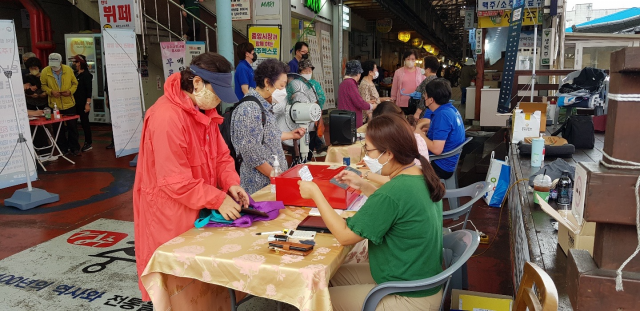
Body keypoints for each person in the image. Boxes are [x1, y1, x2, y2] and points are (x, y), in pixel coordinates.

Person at [133, 52, 250, 302]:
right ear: (197, 83)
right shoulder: (166, 117)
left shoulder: (204, 112)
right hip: (170, 215)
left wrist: (231, 183)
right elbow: (175, 181)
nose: (218, 100)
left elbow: (221, 157)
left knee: (203, 287)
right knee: (179, 291)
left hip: (199, 208)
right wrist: (218, 199)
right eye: (216, 92)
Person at [298, 114, 445, 311]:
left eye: (369, 151)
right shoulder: (419, 174)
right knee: (328, 276)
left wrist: (315, 193)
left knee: (317, 301)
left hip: (409, 296)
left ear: (389, 154)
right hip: (413, 277)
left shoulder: (394, 191)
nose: (366, 158)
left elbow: (344, 235)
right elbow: (395, 208)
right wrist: (363, 185)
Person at [230, 59, 305, 195]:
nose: (284, 92)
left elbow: (269, 135)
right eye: (282, 86)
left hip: (272, 182)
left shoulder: (264, 105)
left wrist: (292, 135)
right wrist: (275, 175)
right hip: (259, 185)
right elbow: (251, 153)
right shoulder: (249, 109)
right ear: (267, 83)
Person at [362, 101, 430, 185]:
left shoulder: (402, 143)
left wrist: (366, 174)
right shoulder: (409, 136)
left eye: (368, 150)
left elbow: (397, 181)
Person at [415, 78, 465, 180]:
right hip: (447, 161)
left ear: (431, 99)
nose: (424, 97)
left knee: (403, 165)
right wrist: (422, 130)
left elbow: (437, 149)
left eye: (425, 94)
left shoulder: (442, 115)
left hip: (440, 166)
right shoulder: (450, 109)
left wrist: (419, 133)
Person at [40, 53, 80, 156]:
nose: (55, 68)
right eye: (52, 66)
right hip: (54, 104)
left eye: (56, 66)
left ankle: (74, 148)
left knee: (72, 127)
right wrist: (50, 91)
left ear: (61, 62)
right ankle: (63, 148)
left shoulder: (68, 70)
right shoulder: (45, 71)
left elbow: (75, 83)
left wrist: (70, 91)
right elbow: (43, 85)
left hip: (69, 104)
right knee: (58, 128)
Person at [337, 60, 377, 128]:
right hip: (351, 122)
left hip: (345, 120)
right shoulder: (350, 84)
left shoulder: (343, 83)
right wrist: (372, 106)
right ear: (358, 73)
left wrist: (366, 102)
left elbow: (351, 101)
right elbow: (359, 103)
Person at [390, 50, 425, 115]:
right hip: (402, 103)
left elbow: (424, 86)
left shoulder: (421, 71)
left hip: (417, 103)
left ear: (415, 60)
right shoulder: (398, 72)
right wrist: (393, 100)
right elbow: (394, 87)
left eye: (412, 59)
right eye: (408, 59)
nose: (410, 61)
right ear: (404, 60)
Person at [71, 55, 94, 152]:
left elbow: (89, 91)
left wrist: (87, 103)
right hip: (73, 103)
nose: (74, 64)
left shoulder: (86, 75)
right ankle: (73, 144)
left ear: (79, 63)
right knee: (73, 124)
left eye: (75, 62)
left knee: (85, 123)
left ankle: (88, 142)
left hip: (83, 102)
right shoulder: (74, 74)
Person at [413, 55, 441, 120]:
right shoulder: (437, 79)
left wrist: (418, 112)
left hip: (426, 112)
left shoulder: (428, 81)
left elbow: (424, 97)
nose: (422, 68)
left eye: (423, 66)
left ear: (428, 70)